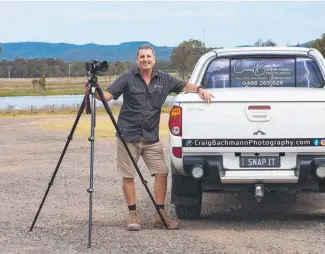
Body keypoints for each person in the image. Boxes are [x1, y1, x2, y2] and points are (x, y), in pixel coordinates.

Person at [96, 44, 214, 231]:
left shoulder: (165, 80)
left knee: (162, 173)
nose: (145, 59)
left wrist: (200, 89)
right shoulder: (127, 78)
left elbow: (184, 86)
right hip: (128, 136)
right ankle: (133, 215)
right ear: (137, 60)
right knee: (128, 176)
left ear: (154, 59)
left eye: (148, 56)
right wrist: (96, 91)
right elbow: (108, 95)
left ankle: (160, 215)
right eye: (142, 56)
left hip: (151, 138)